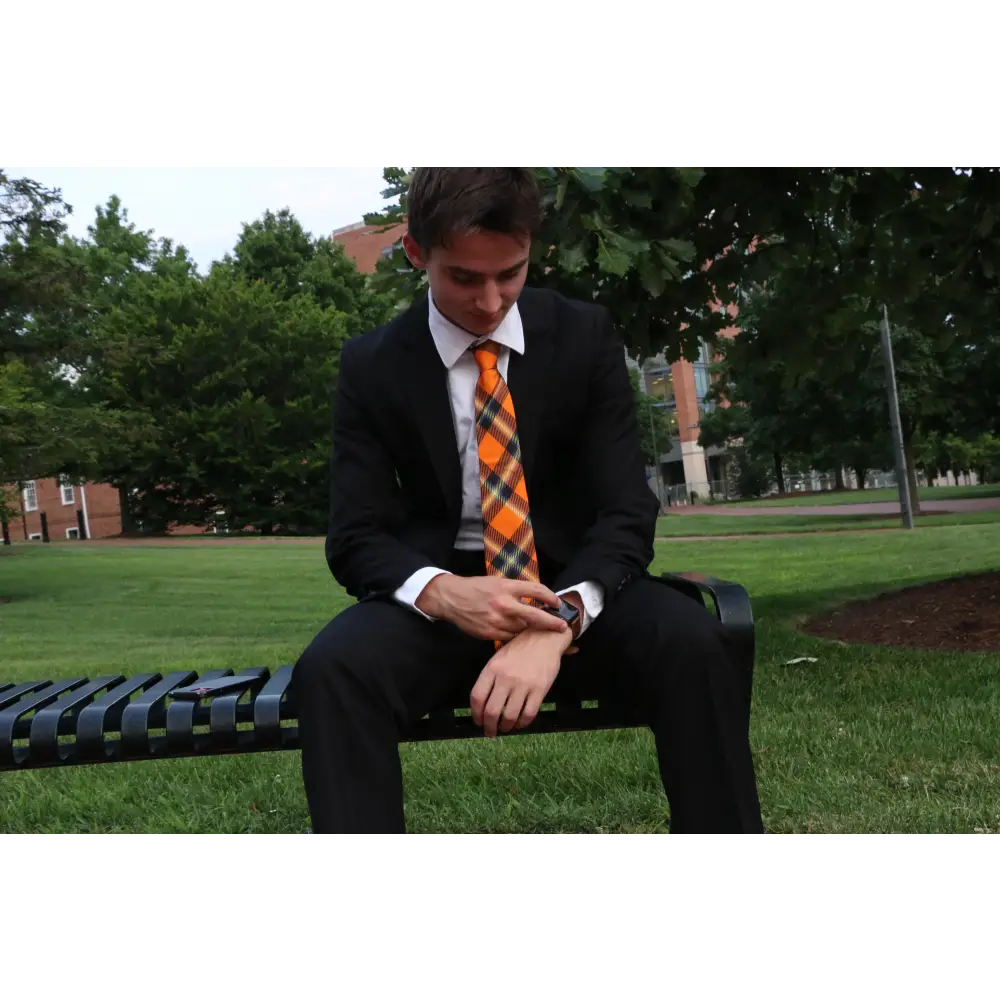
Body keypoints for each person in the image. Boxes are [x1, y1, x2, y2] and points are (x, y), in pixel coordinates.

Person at [293, 162, 763, 839]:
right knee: (334, 671)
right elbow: (355, 537)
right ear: (417, 253)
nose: (490, 302)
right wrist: (448, 594)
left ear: (530, 249)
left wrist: (557, 620)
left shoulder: (584, 336)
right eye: (464, 277)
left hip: (574, 586)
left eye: (509, 274)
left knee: (692, 641)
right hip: (445, 606)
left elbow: (627, 512)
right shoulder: (373, 365)